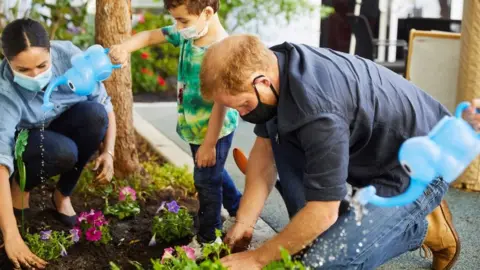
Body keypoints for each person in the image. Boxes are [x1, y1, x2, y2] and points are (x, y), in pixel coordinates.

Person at [199, 34, 479, 270]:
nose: (241, 114)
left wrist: (258, 259)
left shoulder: (318, 109)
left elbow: (323, 212)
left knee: (325, 263)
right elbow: (266, 149)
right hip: (372, 157)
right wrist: (245, 222)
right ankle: (326, 232)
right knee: (280, 141)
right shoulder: (275, 67)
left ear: (261, 82)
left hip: (417, 171)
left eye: (243, 106)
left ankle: (422, 228)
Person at [108, 0, 242, 244]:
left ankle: (209, 238)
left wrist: (210, 144)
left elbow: (221, 104)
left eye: (183, 21)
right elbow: (149, 36)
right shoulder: (188, 35)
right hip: (194, 127)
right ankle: (238, 207)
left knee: (206, 180)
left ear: (208, 13)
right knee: (212, 171)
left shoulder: (223, 51)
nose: (177, 27)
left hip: (215, 130)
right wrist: (125, 47)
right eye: (175, 20)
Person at [0, 18, 117, 269]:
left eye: (42, 65)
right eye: (23, 70)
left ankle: (62, 195)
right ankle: (20, 188)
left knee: (94, 115)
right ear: (8, 61)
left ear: (51, 51)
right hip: (27, 141)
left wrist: (109, 152)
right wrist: (11, 235)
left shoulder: (71, 58)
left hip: (62, 124)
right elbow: (0, 160)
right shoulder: (4, 92)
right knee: (63, 152)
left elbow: (105, 106)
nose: (35, 75)